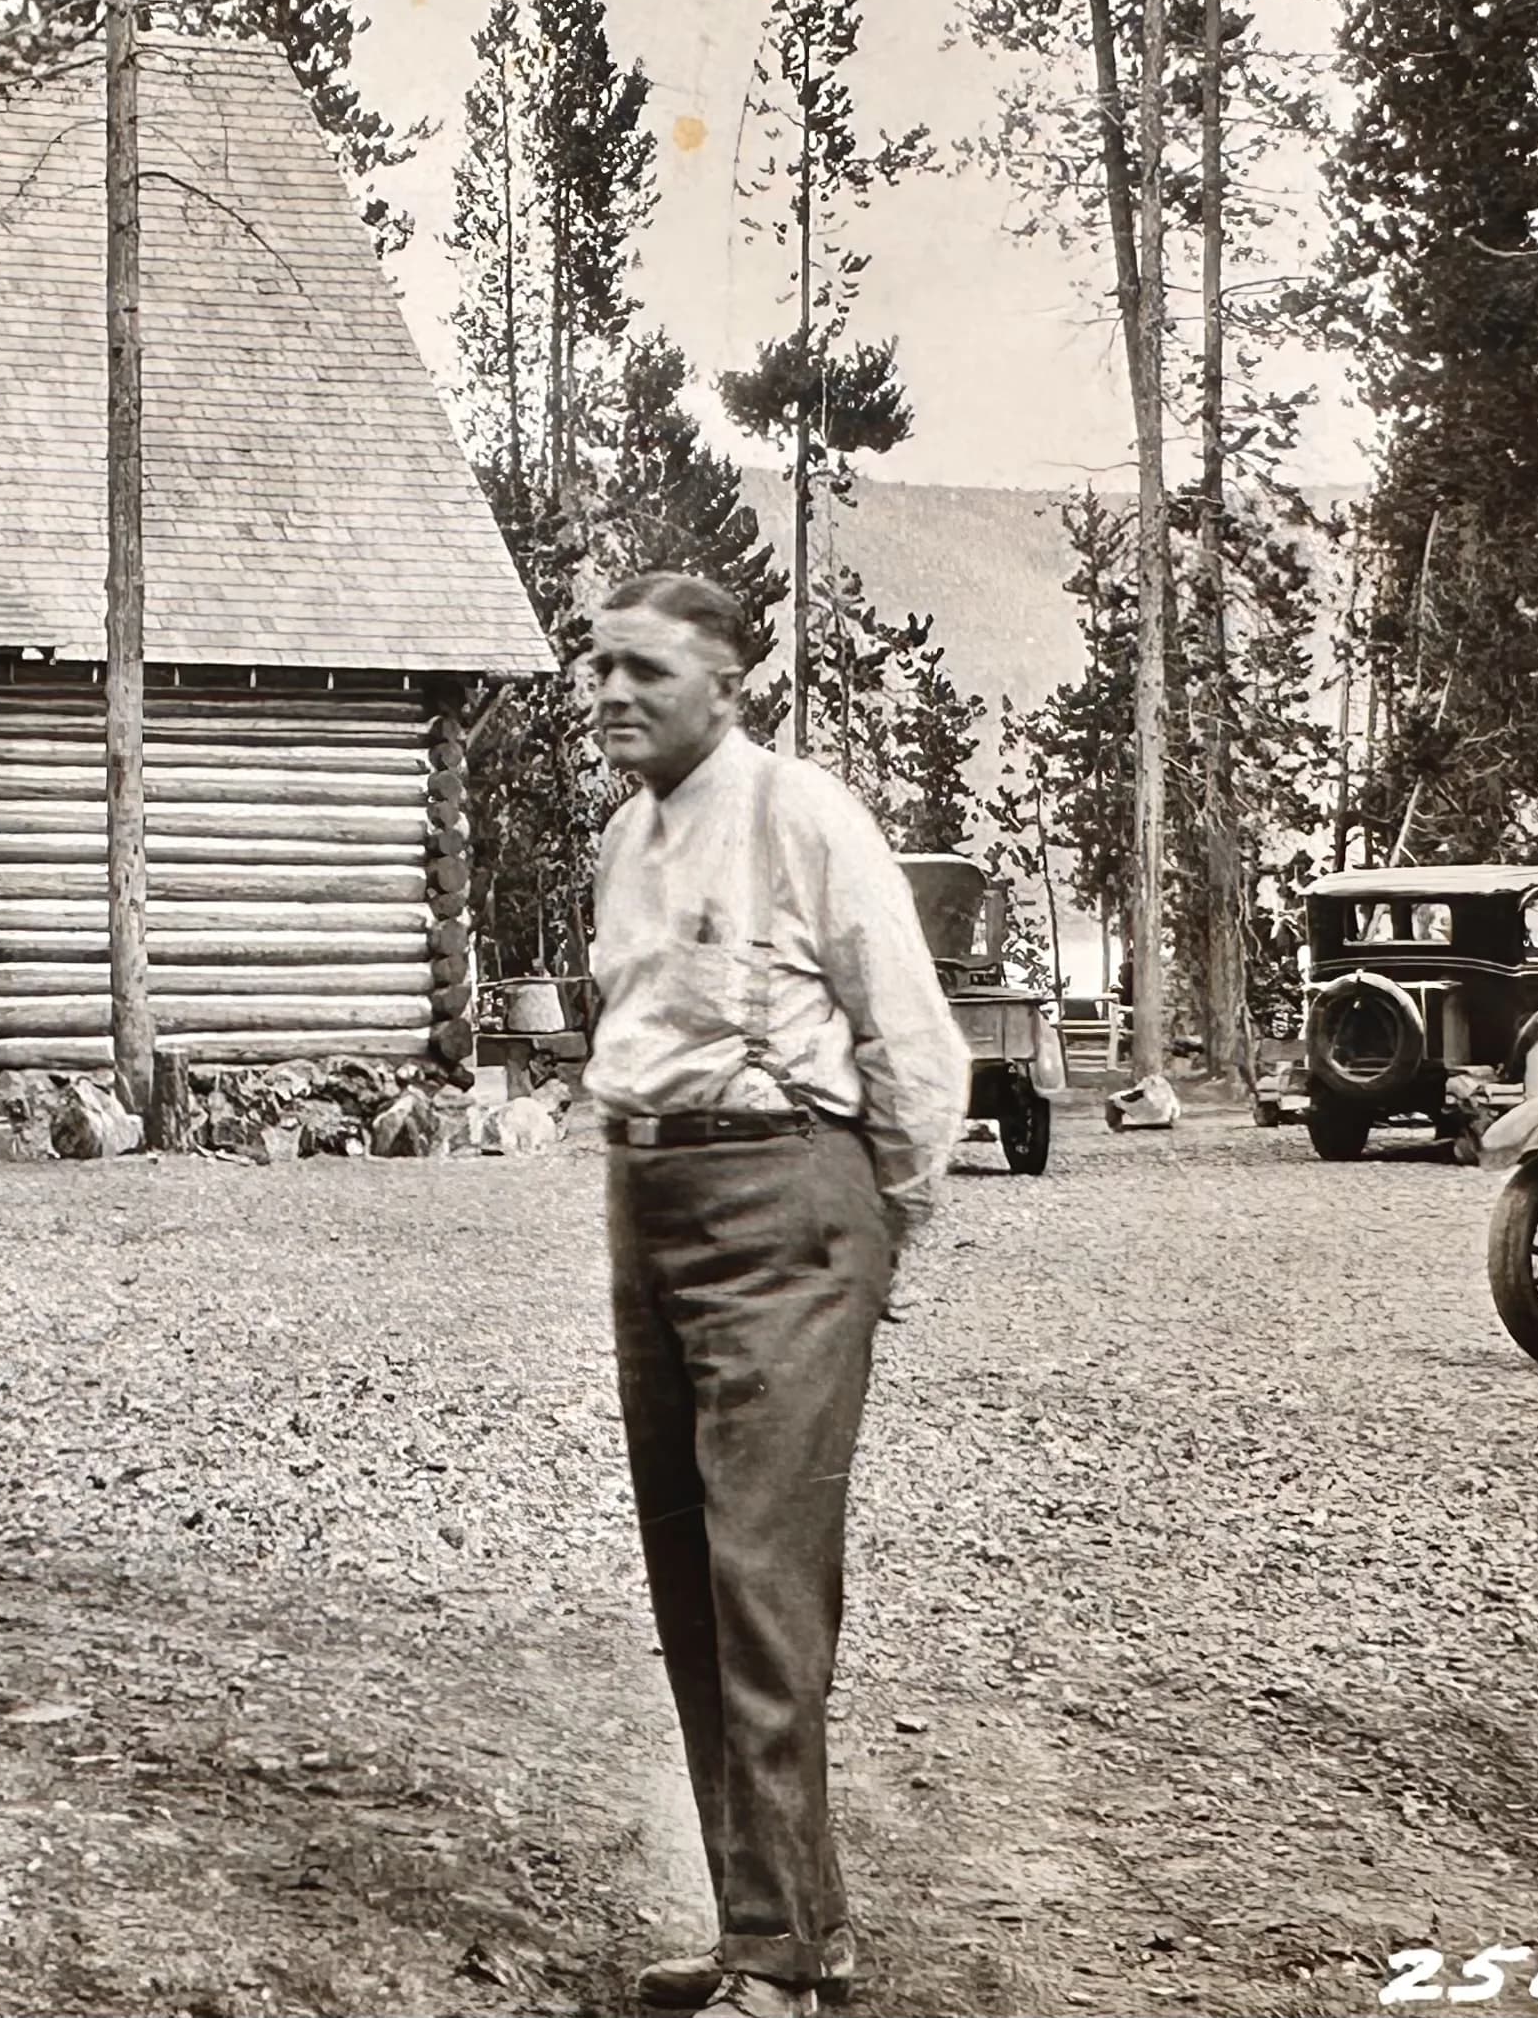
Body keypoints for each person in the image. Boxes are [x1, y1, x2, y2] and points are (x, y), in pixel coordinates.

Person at [577, 570, 971, 2018]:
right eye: (601, 667)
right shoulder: (627, 837)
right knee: (692, 1570)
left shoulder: (805, 816)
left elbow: (913, 1043)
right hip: (652, 1199)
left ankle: (774, 1961)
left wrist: (875, 1232)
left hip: (784, 1198)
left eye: (648, 673)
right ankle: (785, 1923)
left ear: (726, 685)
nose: (614, 695)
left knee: (763, 1570)